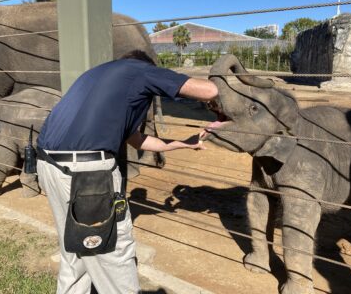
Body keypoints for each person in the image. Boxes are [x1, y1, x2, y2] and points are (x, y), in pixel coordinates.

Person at [36, 50, 218, 294]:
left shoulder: (94, 75)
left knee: (76, 252)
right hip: (87, 174)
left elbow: (135, 139)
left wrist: (181, 143)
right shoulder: (138, 70)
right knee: (113, 253)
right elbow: (209, 91)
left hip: (49, 165)